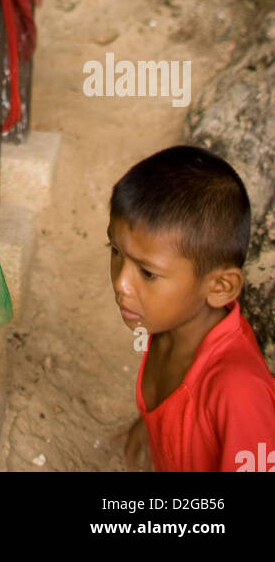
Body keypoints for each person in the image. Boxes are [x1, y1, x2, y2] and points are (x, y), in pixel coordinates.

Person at [108, 145, 275, 472]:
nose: (121, 284)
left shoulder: (238, 393)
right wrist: (151, 430)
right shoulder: (164, 326)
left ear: (220, 287)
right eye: (114, 251)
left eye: (148, 273)